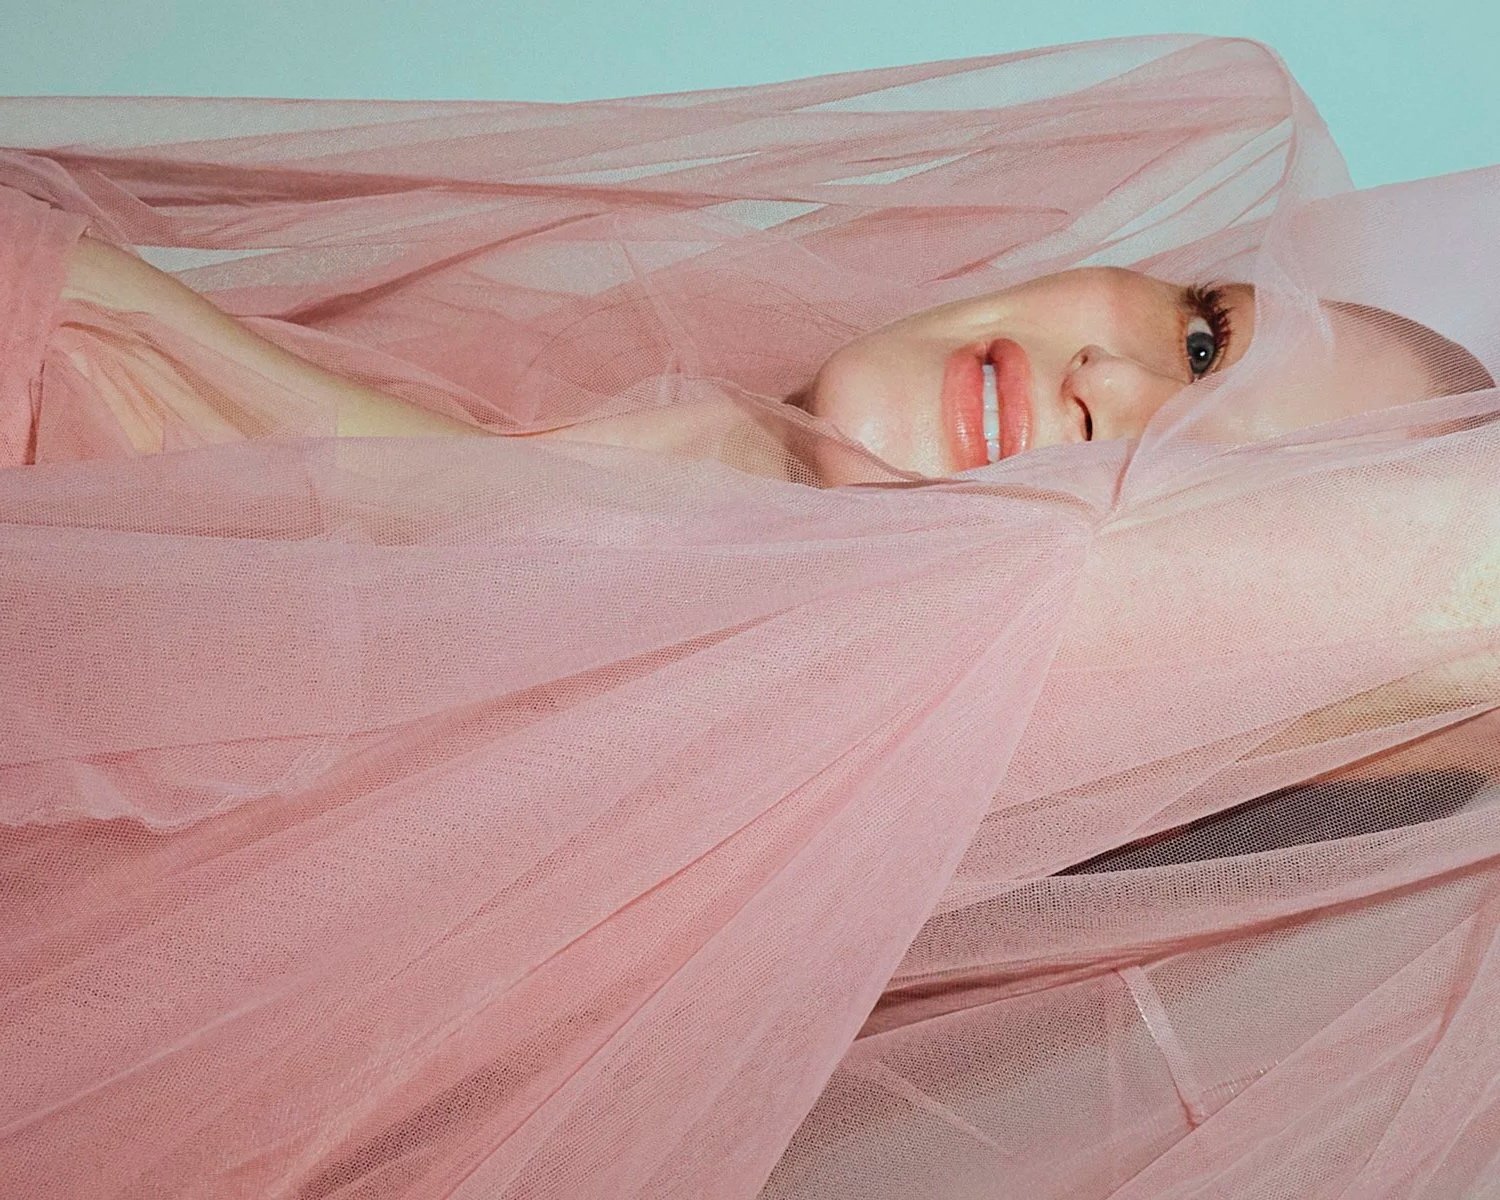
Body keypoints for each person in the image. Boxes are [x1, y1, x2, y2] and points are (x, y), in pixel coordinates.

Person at [2, 34, 1499, 1200]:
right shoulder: (512, 392)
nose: (1114, 382)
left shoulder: (432, 896)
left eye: (1197, 489)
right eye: (1206, 337)